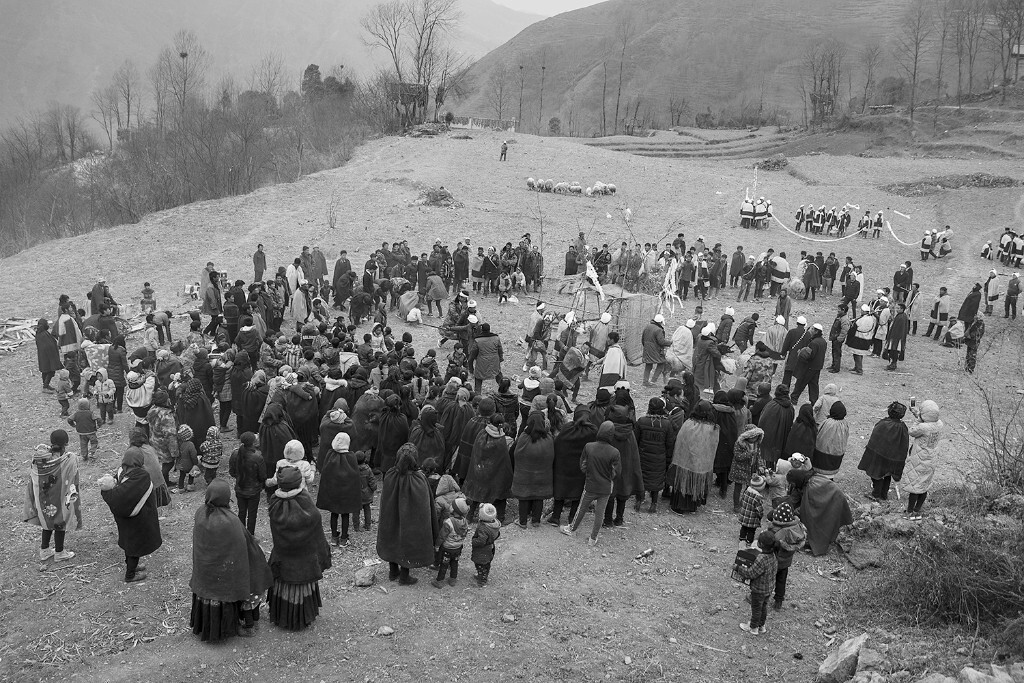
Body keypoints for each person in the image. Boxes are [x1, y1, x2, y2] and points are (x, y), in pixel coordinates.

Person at [189, 479, 273, 641]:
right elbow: (244, 545)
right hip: (225, 573)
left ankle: (209, 628)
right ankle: (244, 623)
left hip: (206, 572)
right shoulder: (230, 521)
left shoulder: (200, 513)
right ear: (227, 498)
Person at [266, 467, 332, 630]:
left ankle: (283, 616)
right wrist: (322, 554)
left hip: (283, 557)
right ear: (298, 483)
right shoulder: (307, 503)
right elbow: (316, 531)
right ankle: (301, 617)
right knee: (301, 586)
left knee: (284, 583)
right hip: (305, 561)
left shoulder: (274, 503)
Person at [377, 443, 439, 585]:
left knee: (392, 537)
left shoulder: (390, 475)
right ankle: (404, 577)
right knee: (408, 542)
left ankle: (393, 572)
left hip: (390, 517)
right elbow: (425, 505)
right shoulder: (419, 479)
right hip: (412, 521)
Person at [98, 449, 163, 583]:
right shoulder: (141, 475)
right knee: (135, 545)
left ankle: (131, 565)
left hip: (123, 518)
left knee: (129, 543)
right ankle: (130, 574)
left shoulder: (121, 471)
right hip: (138, 518)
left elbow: (118, 492)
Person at [560, 420, 621, 546]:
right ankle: (593, 538)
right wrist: (608, 478)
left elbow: (583, 464)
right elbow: (617, 472)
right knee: (600, 513)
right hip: (605, 487)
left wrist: (588, 474)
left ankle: (572, 529)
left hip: (590, 485)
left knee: (581, 508)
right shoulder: (615, 452)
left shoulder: (589, 446)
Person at [25, 430, 82, 562]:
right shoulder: (69, 458)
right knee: (60, 522)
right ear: (66, 443)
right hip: (59, 497)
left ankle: (44, 550)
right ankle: (59, 552)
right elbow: (73, 474)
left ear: (51, 441)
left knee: (47, 522)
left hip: (43, 498)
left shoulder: (40, 457)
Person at [668, 401, 719, 514]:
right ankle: (692, 506)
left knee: (684, 481)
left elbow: (680, 441)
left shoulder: (688, 423)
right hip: (701, 463)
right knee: (695, 482)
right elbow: (712, 446)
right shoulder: (713, 428)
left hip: (684, 461)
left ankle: (679, 506)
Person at [463, 415, 514, 524]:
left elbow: (476, 453)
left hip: (479, 472)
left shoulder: (481, 434)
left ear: (489, 422)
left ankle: (469, 516)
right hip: (496, 474)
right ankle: (500, 517)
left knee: (475, 492)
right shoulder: (501, 439)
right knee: (500, 492)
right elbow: (504, 459)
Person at [857, 401, 911, 501]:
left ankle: (876, 494)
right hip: (893, 458)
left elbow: (875, 438)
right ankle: (883, 494)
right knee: (887, 475)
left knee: (876, 474)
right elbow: (904, 445)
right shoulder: (903, 428)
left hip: (880, 455)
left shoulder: (883, 424)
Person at [512, 413, 555, 528]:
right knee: (538, 496)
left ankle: (522, 522)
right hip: (542, 475)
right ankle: (536, 521)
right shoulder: (548, 438)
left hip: (524, 474)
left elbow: (516, 453)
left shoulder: (523, 437)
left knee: (524, 497)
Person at [604, 404, 645, 526]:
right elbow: (634, 453)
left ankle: (607, 520)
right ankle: (619, 518)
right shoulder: (630, 432)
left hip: (611, 467)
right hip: (626, 467)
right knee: (623, 492)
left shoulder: (608, 430)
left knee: (610, 493)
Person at [903, 400, 944, 519]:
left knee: (915, 486)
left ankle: (909, 512)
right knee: (924, 485)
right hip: (931, 459)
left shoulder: (922, 427)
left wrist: (917, 418)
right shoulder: (939, 424)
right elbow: (928, 422)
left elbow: (912, 431)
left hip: (919, 459)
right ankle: (917, 510)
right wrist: (918, 414)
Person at [796, 471, 853, 556]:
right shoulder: (812, 478)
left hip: (834, 500)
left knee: (824, 522)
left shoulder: (811, 487)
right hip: (834, 497)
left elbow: (811, 509)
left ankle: (820, 545)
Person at [636, 398, 675, 513]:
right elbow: (669, 443)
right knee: (656, 478)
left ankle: (639, 500)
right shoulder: (666, 424)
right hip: (659, 457)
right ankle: (654, 503)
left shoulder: (641, 421)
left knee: (643, 477)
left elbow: (636, 440)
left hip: (643, 456)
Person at [734, 531, 778, 635]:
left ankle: (753, 628)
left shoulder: (761, 558)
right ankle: (761, 626)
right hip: (769, 588)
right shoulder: (773, 555)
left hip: (759, 589)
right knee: (763, 607)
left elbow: (751, 573)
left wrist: (738, 568)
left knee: (756, 608)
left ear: (761, 544)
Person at [765, 501, 805, 609]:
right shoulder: (796, 528)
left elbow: (770, 545)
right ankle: (778, 601)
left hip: (774, 561)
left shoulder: (778, 532)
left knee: (768, 580)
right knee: (781, 581)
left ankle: (764, 597)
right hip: (786, 562)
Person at [228, 433, 266, 535]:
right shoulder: (258, 457)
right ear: (253, 443)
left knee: (241, 512)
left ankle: (241, 534)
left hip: (240, 488)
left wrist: (240, 477)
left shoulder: (235, 454)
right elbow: (262, 476)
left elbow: (232, 471)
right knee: (252, 515)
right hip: (254, 490)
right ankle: (250, 536)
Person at [432, 498, 469, 588]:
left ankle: (439, 581)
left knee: (444, 565)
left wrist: (437, 545)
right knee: (454, 563)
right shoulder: (465, 522)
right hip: (458, 547)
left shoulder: (448, 522)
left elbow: (442, 536)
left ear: (454, 509)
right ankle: (453, 579)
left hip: (447, 549)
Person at [757, 385, 795, 469]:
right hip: (783, 438)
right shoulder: (791, 407)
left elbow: (762, 421)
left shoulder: (771, 405)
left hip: (770, 438)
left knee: (769, 460)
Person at [791, 324, 827, 405]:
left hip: (809, 367)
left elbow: (809, 356)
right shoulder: (823, 341)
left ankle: (794, 398)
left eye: (812, 329)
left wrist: (801, 353)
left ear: (816, 331)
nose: (810, 331)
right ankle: (814, 401)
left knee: (801, 382)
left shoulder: (813, 343)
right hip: (817, 367)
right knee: (814, 384)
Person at [811, 402, 849, 477]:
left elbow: (819, 435)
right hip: (836, 456)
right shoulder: (844, 424)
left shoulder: (827, 423)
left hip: (821, 457)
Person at [471, 503, 501, 586]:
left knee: (480, 564)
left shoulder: (483, 528)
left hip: (483, 550)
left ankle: (482, 580)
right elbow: (498, 534)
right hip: (491, 547)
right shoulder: (495, 523)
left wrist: (474, 541)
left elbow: (481, 541)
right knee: (487, 563)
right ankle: (484, 575)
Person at [737, 474, 768, 547]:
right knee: (751, 530)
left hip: (744, 515)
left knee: (744, 527)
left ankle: (742, 538)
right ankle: (749, 541)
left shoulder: (747, 492)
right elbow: (759, 510)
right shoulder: (757, 498)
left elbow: (742, 501)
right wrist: (760, 515)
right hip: (752, 518)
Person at [641, 314, 671, 387]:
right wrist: (670, 343)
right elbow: (661, 341)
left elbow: (642, 339)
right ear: (660, 322)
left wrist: (646, 347)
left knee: (648, 365)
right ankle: (653, 381)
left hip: (647, 348)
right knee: (661, 363)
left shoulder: (647, 327)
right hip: (655, 350)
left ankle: (645, 381)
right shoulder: (658, 330)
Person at [827, 305, 850, 373]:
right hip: (835, 337)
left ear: (843, 310)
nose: (838, 310)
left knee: (837, 353)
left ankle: (836, 368)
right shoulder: (840, 316)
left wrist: (839, 338)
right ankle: (833, 365)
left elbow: (845, 330)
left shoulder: (844, 319)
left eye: (839, 309)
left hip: (838, 339)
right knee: (834, 352)